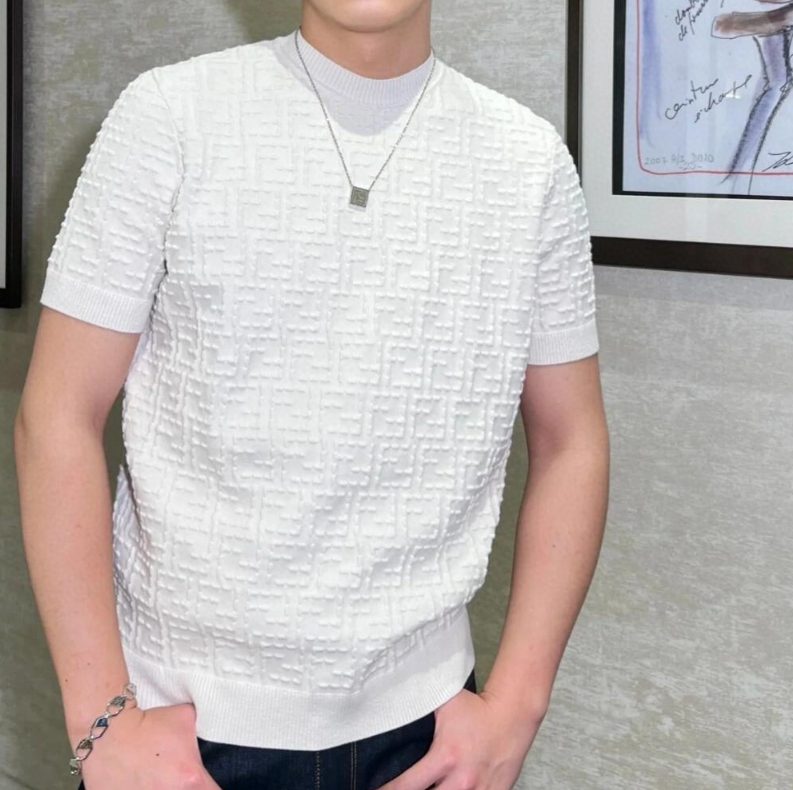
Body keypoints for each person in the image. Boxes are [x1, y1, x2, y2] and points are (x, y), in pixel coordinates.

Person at [14, 0, 610, 788]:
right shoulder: (169, 115)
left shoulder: (529, 160)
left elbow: (572, 442)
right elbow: (57, 416)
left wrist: (518, 704)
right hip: (180, 730)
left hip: (428, 729)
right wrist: (102, 721)